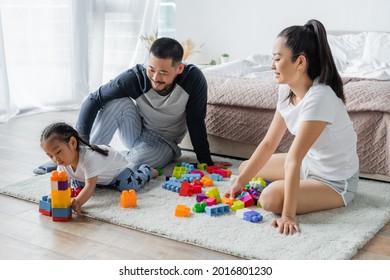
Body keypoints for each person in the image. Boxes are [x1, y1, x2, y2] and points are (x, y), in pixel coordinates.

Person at [226, 19, 359, 235]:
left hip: (335, 181)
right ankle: (294, 185)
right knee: (244, 169)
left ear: (300, 62)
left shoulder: (320, 98)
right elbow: (269, 143)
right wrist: (240, 183)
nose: (272, 66)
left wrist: (288, 215)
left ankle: (298, 190)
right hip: (309, 165)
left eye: (277, 59)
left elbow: (293, 159)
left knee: (269, 198)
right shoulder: (286, 90)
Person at [75, 37, 230, 171]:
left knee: (131, 166)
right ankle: (85, 158)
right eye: (151, 69)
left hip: (164, 142)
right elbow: (93, 100)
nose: (155, 78)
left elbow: (195, 121)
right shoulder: (135, 77)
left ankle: (103, 162)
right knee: (117, 101)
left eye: (163, 72)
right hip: (136, 131)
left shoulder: (193, 79)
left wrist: (206, 162)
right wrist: (79, 148)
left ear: (179, 68)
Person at [40, 122, 159, 215]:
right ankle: (98, 183)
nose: (56, 159)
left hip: (117, 172)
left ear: (72, 143)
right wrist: (55, 200)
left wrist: (77, 203)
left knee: (129, 186)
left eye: (58, 152)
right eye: (50, 156)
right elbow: (63, 188)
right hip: (97, 177)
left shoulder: (89, 159)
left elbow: (90, 186)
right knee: (78, 187)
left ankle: (146, 171)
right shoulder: (62, 165)